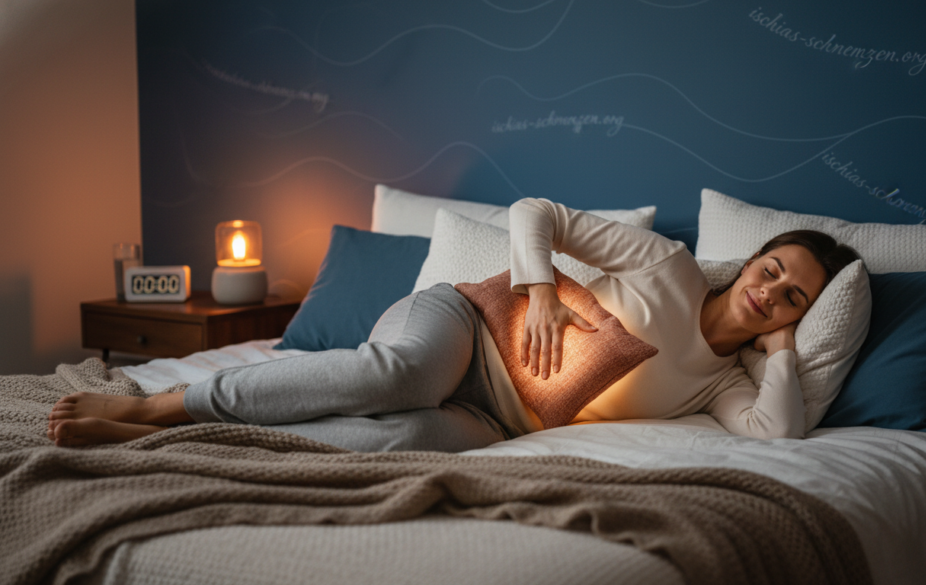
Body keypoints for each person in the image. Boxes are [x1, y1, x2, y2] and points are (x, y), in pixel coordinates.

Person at [48, 198, 859, 449]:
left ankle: (191, 442)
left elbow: (777, 435)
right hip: (465, 324)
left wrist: (782, 348)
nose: (773, 291)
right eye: (774, 269)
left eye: (794, 298)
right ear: (752, 259)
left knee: (390, 446)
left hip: (495, 419)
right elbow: (535, 211)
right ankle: (158, 407)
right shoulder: (669, 264)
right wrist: (541, 289)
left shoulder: (721, 382)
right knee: (396, 376)